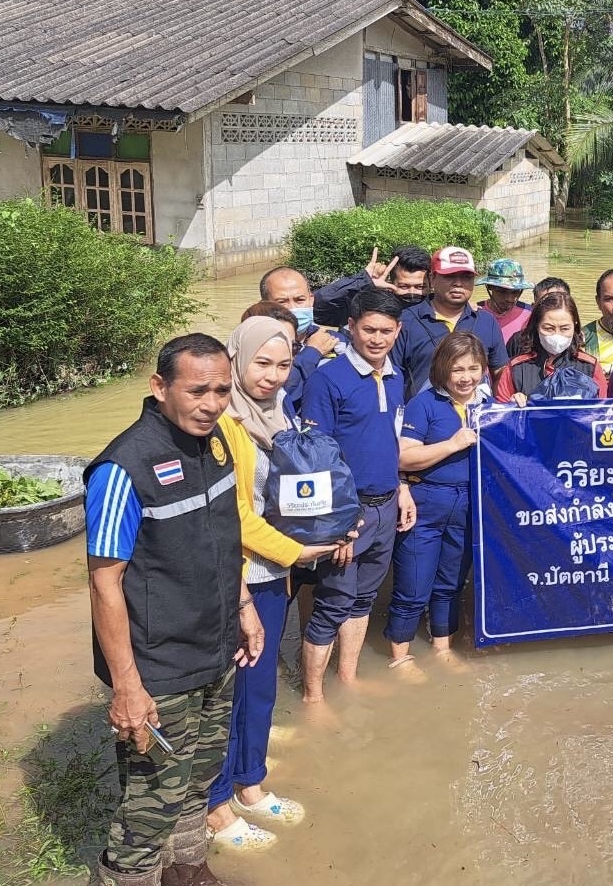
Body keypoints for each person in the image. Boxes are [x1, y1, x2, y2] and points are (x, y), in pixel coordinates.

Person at [84, 333, 263, 886]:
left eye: (222, 390)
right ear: (159, 387)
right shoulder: (122, 468)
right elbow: (103, 585)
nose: (212, 404)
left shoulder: (216, 444)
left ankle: (188, 871)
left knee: (200, 777)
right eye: (197, 391)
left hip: (216, 649)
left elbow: (224, 537)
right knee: (150, 802)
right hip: (158, 668)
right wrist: (127, 687)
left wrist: (244, 603)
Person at [206, 319, 345, 849]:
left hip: (273, 573)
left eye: (283, 364)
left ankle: (250, 782)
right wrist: (297, 551)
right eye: (261, 363)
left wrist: (332, 523)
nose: (271, 375)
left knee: (259, 685)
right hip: (237, 575)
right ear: (236, 358)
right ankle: (216, 804)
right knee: (228, 690)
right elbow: (233, 512)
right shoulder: (224, 422)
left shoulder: (277, 412)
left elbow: (287, 496)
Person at [299, 287, 417, 703]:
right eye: (369, 329)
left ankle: (347, 679)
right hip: (348, 516)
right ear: (351, 327)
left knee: (364, 598)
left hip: (386, 506)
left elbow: (390, 439)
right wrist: (339, 523)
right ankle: (313, 696)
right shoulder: (327, 380)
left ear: (398, 331)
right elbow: (314, 459)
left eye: (386, 330)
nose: (377, 338)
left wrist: (402, 487)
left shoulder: (397, 375)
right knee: (332, 602)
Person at [386, 331, 490, 672]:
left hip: (468, 506)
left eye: (473, 368)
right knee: (414, 585)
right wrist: (451, 444)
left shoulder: (487, 406)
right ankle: (400, 657)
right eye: (457, 369)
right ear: (442, 369)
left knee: (450, 584)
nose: (465, 377)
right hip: (426, 503)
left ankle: (442, 646)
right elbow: (403, 458)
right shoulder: (425, 403)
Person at [392, 246, 508, 401]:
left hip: (475, 419)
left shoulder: (487, 321)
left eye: (466, 277)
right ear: (433, 279)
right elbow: (392, 377)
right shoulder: (405, 322)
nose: (458, 283)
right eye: (450, 276)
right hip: (422, 421)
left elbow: (501, 373)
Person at [258, 267, 344, 414]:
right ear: (265, 305)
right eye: (282, 302)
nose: (293, 308)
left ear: (311, 300)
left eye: (299, 300)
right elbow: (272, 398)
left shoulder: (335, 341)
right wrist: (312, 353)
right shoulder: (255, 346)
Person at [494, 291, 607, 404]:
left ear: (575, 325)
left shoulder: (590, 367)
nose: (557, 335)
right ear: (537, 326)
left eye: (564, 328)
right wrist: (511, 405)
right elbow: (500, 413)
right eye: (548, 328)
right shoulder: (516, 368)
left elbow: (603, 411)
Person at [313, 245, 431, 327]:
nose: (412, 293)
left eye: (420, 287)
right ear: (391, 283)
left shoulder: (440, 309)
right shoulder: (370, 306)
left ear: (432, 283)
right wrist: (363, 282)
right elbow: (318, 308)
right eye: (404, 286)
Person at [507, 277, 572, 357]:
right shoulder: (518, 342)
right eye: (546, 304)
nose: (554, 309)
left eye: (559, 302)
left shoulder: (583, 343)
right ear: (533, 308)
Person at [476, 258, 533, 345]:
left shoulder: (529, 314)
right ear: (489, 287)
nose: (509, 299)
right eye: (502, 291)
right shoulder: (475, 312)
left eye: (515, 292)